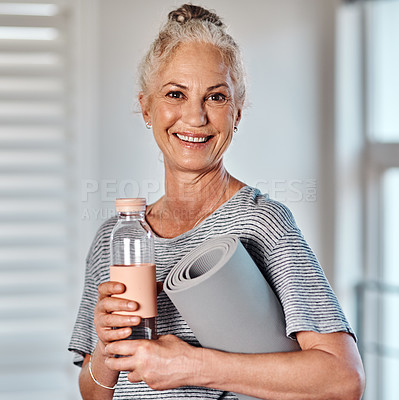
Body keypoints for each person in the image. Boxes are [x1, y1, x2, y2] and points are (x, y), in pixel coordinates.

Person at [69, 4, 365, 400]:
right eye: (175, 94)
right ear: (147, 106)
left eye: (216, 97)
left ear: (237, 112)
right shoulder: (117, 237)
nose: (195, 116)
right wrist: (107, 349)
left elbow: (344, 380)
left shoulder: (262, 223)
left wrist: (190, 365)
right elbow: (93, 392)